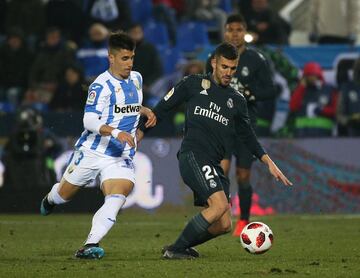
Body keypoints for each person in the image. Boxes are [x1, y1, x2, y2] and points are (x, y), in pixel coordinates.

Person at [139, 42, 292, 259]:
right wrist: (139, 133)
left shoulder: (237, 100)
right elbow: (161, 109)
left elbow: (247, 135)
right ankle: (176, 250)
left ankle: (179, 244)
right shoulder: (192, 84)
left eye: (232, 68)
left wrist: (268, 161)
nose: (228, 73)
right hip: (193, 155)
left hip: (215, 164)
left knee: (223, 224)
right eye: (224, 67)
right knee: (219, 205)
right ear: (214, 63)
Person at [40, 32, 156, 259]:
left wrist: (144, 110)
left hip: (119, 155)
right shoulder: (100, 86)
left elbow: (129, 104)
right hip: (93, 151)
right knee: (64, 195)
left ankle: (90, 244)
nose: (129, 63)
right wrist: (116, 132)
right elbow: (90, 121)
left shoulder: (137, 79)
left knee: (118, 194)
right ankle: (50, 198)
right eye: (124, 58)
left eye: (132, 57)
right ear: (110, 58)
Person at [206, 14, 278, 236]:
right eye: (230, 29)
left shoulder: (257, 59)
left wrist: (252, 94)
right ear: (225, 32)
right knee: (221, 171)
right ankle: (220, 215)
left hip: (245, 125)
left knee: (243, 175)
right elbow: (205, 85)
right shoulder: (214, 56)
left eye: (239, 29)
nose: (234, 34)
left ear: (245, 32)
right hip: (221, 124)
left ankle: (243, 220)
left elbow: (271, 90)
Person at [289, 62, 338, 137]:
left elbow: (336, 110)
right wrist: (301, 87)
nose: (312, 78)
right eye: (309, 75)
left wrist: (322, 110)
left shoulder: (329, 90)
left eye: (314, 75)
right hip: (302, 135)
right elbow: (293, 107)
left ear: (319, 75)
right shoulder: (301, 90)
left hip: (324, 135)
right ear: (305, 77)